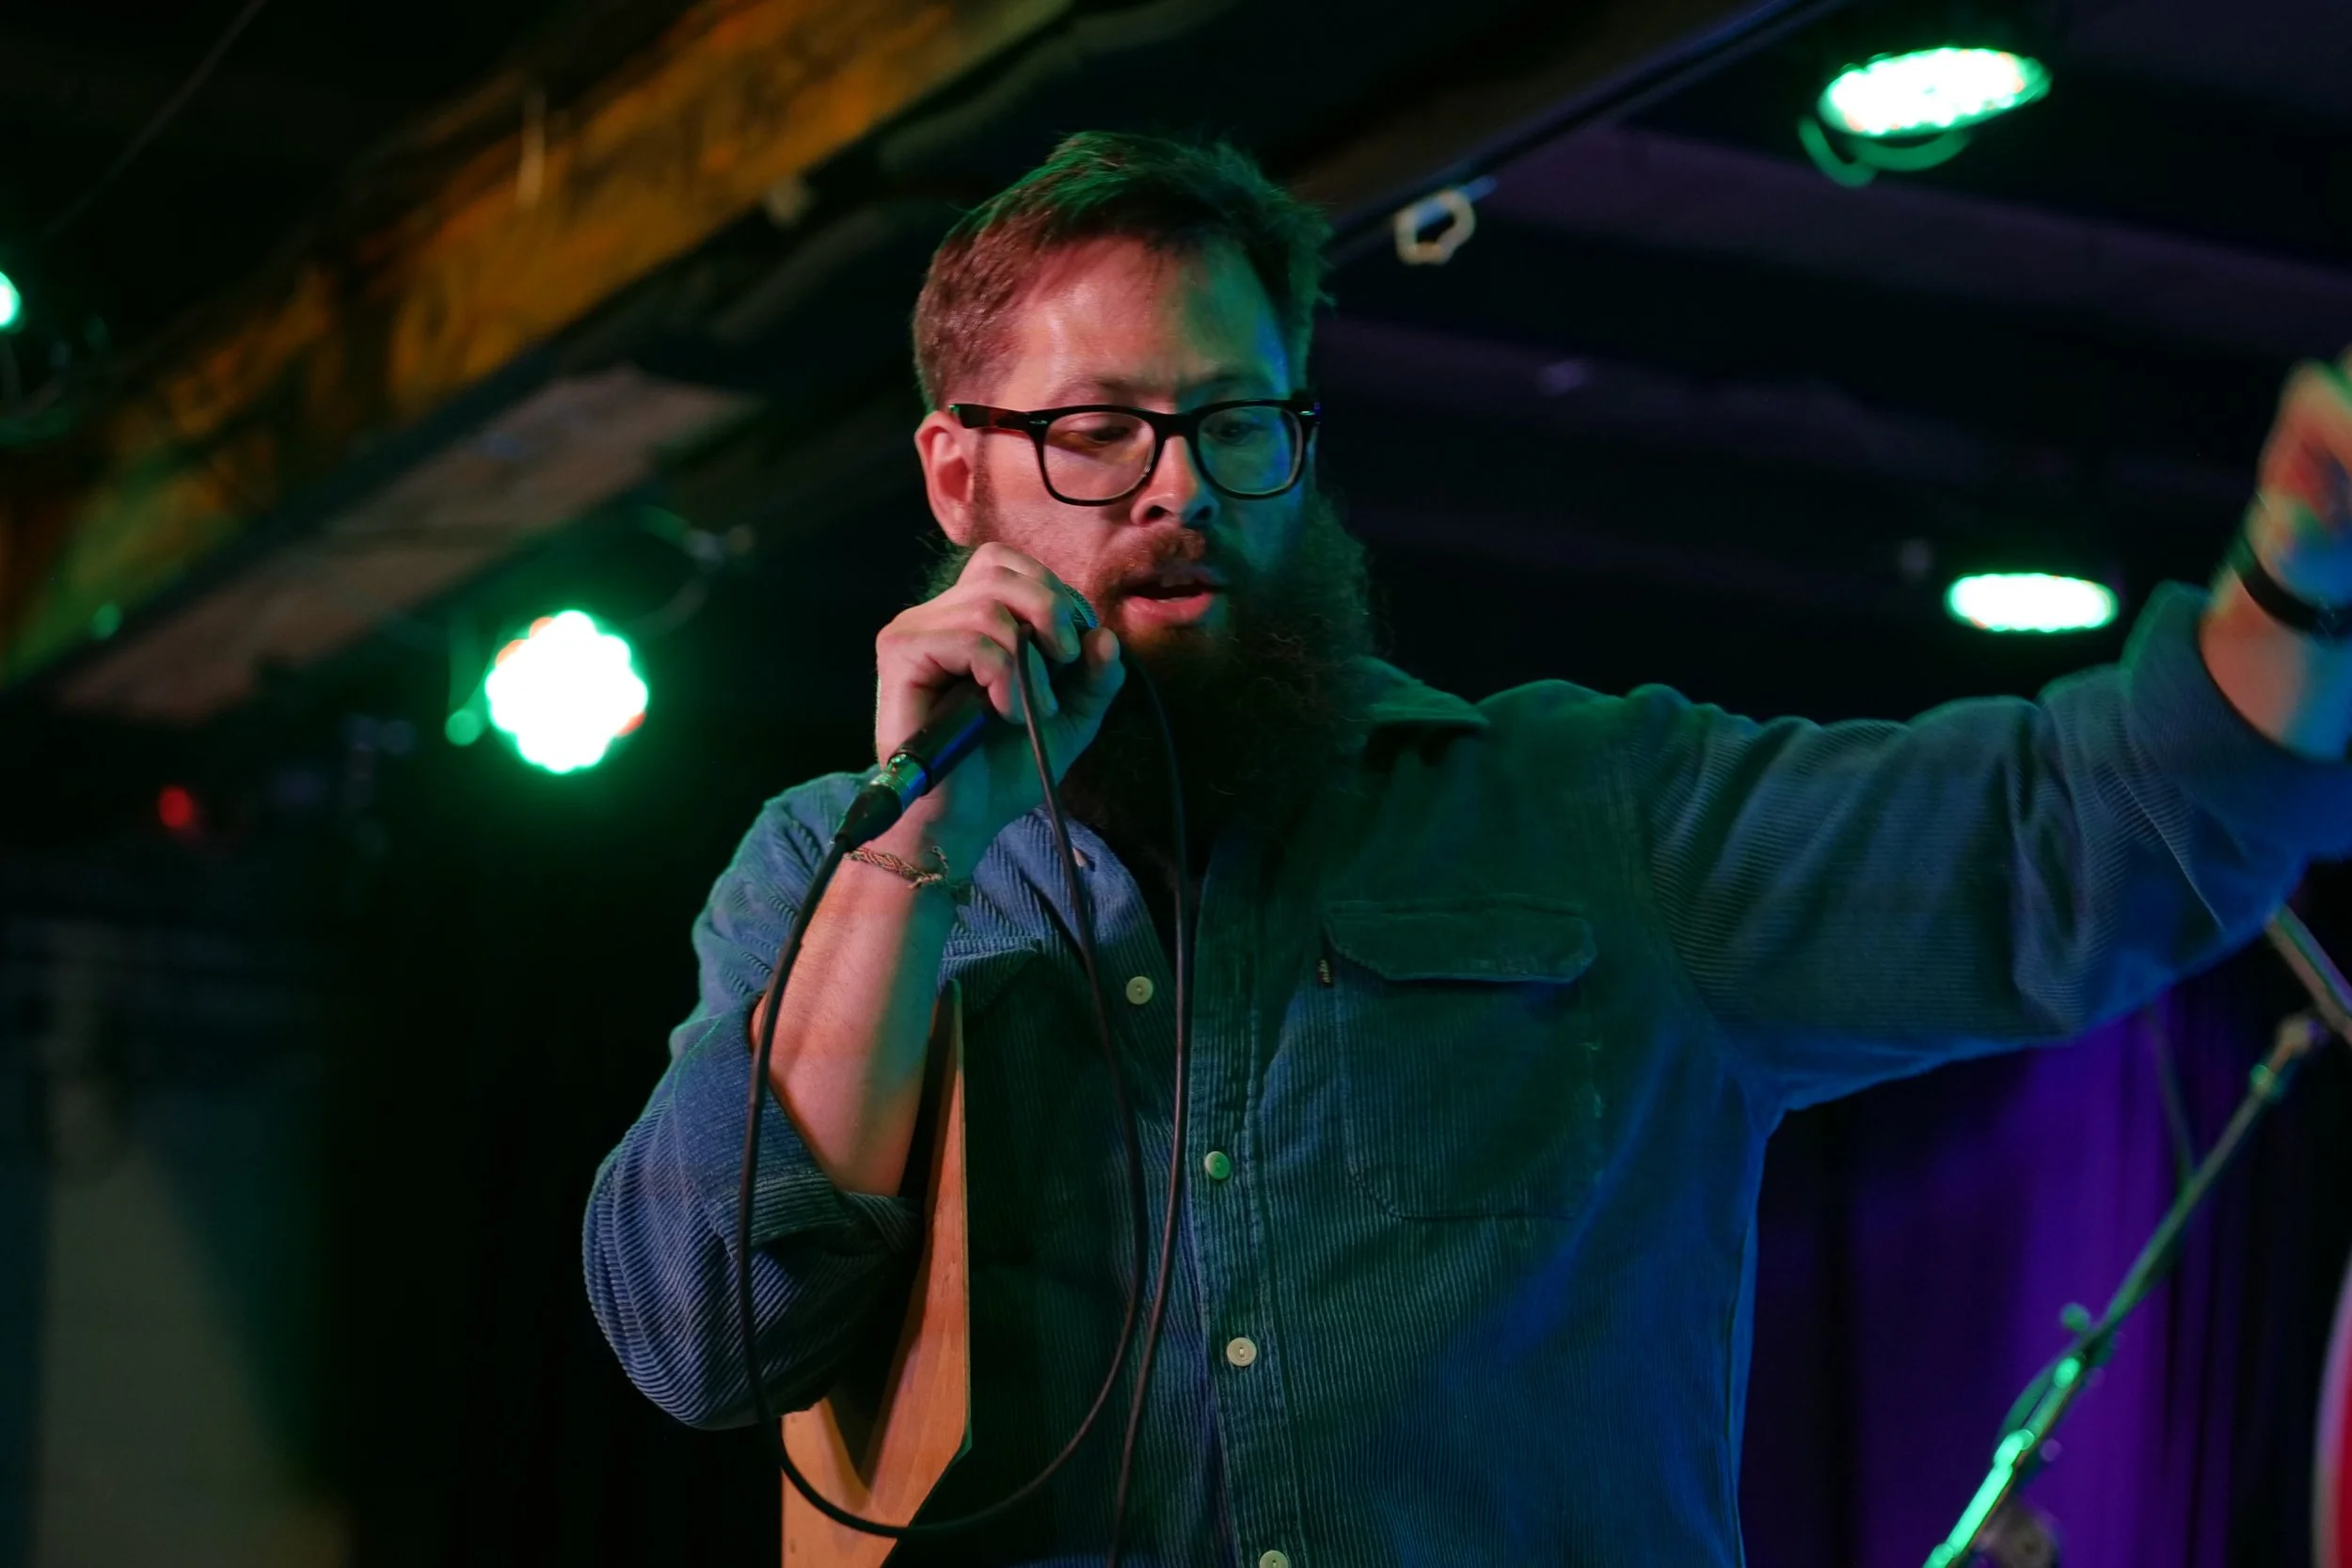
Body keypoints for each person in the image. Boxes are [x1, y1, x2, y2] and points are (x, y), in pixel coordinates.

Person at [584, 132, 2352, 1565]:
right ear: (960, 479)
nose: (1182, 488)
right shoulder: (820, 877)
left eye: (1237, 423)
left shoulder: (1592, 817)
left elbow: (2068, 839)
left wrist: (2300, 576)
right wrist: (912, 868)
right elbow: (699, 1336)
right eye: (1102, 429)